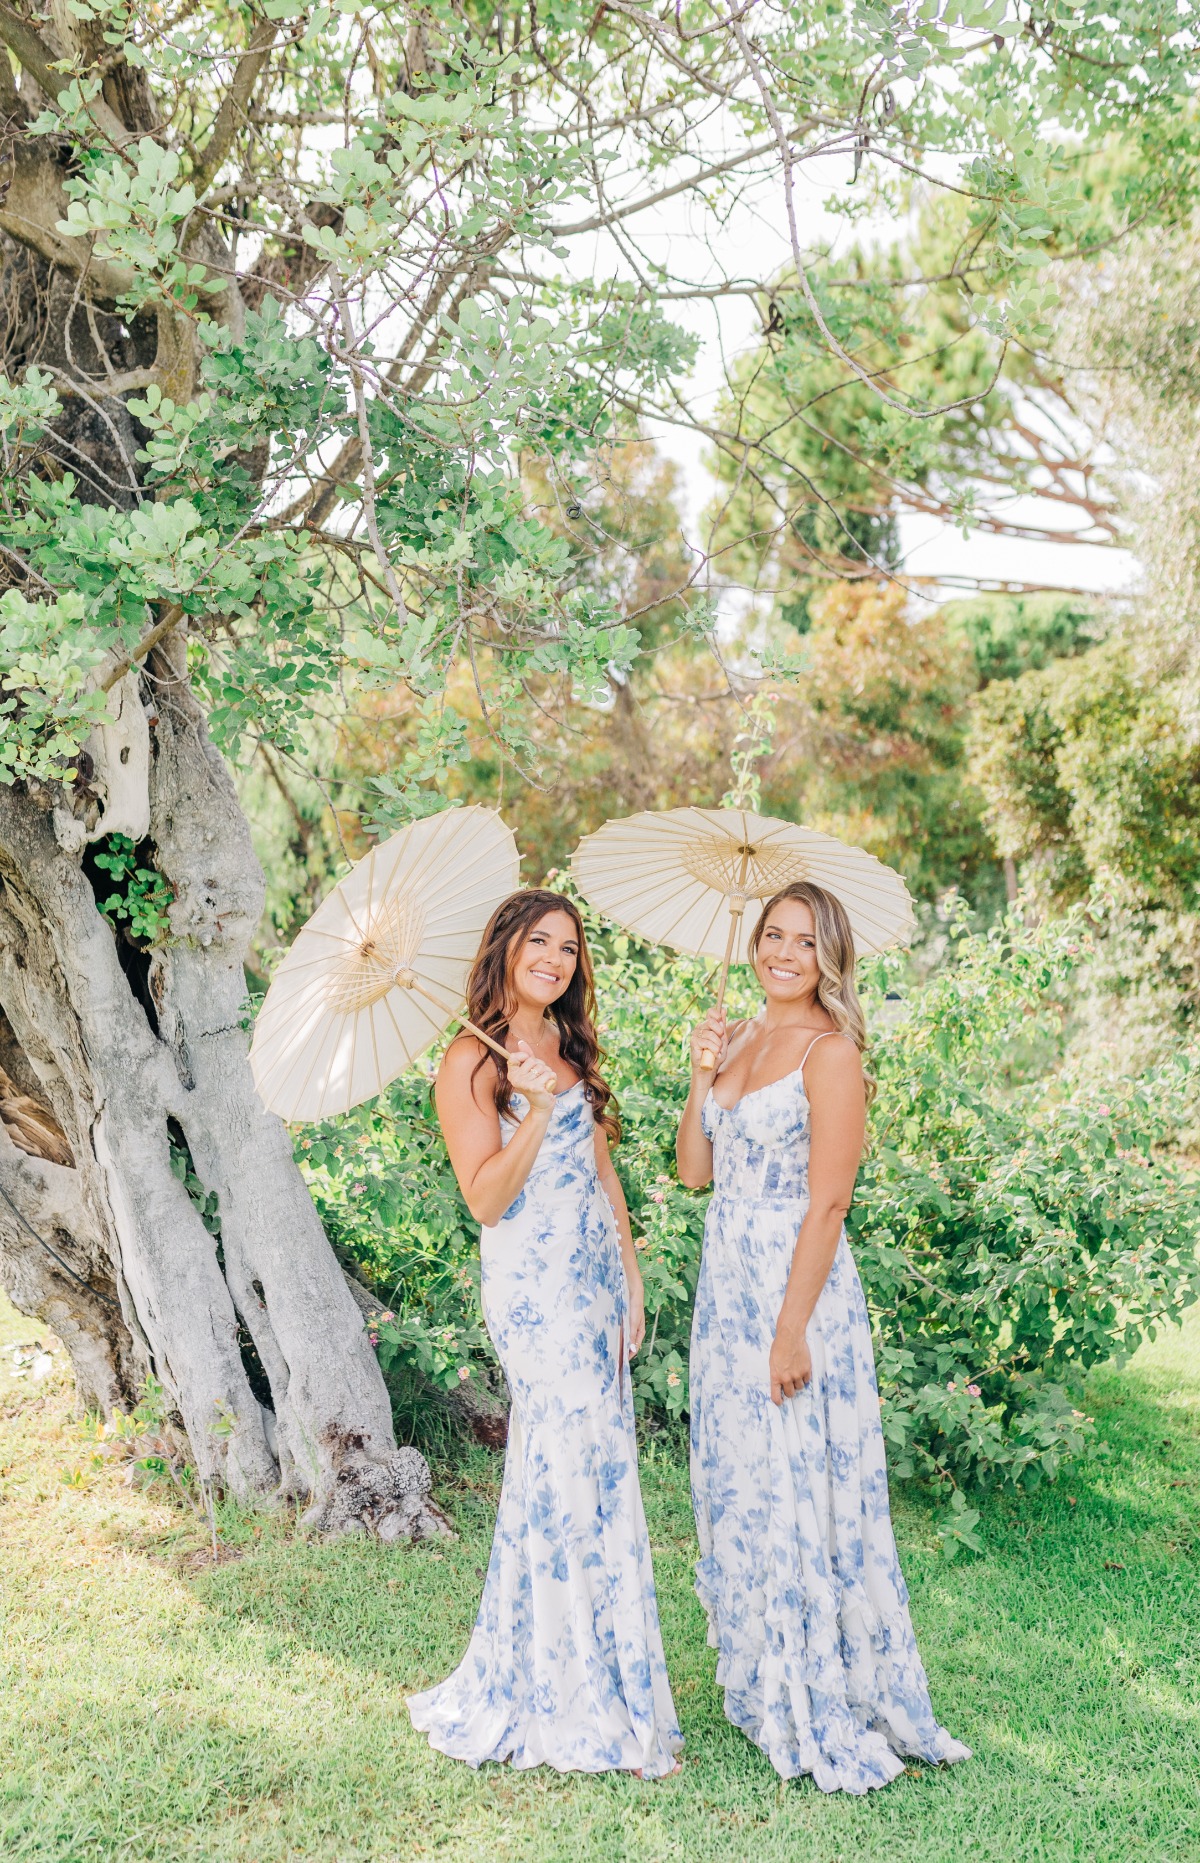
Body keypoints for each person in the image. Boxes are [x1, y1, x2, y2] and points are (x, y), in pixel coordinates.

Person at [676, 880, 970, 1793]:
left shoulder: (830, 1052)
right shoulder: (743, 1038)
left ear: (829, 957)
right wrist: (700, 1074)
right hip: (726, 1290)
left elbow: (829, 1201)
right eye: (773, 935)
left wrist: (791, 1329)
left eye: (806, 941)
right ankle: (764, 1667)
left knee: (799, 1477)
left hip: (792, 1291)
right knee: (742, 1479)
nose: (784, 952)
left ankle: (817, 1682)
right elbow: (694, 1171)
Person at [407, 889, 682, 1778]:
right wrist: (535, 1114)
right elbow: (487, 1197)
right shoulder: (470, 1060)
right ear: (505, 949)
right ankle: (562, 1698)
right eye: (540, 942)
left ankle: (601, 1676)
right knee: (562, 1471)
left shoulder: (567, 1046)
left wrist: (631, 1277)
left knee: (596, 1472)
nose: (556, 960)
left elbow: (604, 1173)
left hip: (595, 1284)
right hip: (533, 1294)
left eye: (568, 948)